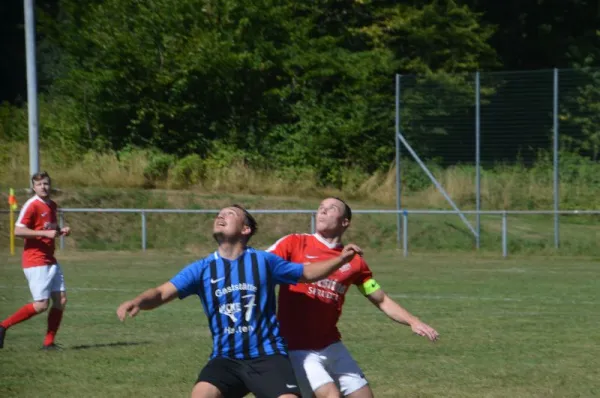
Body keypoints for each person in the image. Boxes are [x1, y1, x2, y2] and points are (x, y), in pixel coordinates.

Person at [116, 204, 363, 398]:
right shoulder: (202, 268)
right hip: (226, 358)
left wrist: (341, 260)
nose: (220, 216)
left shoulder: (264, 262)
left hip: (268, 357)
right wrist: (138, 301)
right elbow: (161, 292)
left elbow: (307, 273)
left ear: (246, 229)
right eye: (219, 214)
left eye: (230, 214)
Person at [267, 197, 439, 398]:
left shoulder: (355, 262)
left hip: (331, 344)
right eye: (321, 207)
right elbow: (256, 267)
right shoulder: (294, 243)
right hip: (297, 347)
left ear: (344, 222)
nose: (323, 210)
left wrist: (413, 321)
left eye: (331, 208)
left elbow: (380, 298)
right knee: (331, 395)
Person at [0, 171, 71, 350]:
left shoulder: (52, 205)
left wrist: (61, 230)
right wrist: (44, 233)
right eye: (39, 184)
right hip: (36, 260)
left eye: (46, 183)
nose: (43, 187)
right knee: (41, 305)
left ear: (50, 184)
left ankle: (49, 343)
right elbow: (18, 231)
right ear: (33, 187)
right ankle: (2, 326)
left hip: (50, 259)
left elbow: (49, 228)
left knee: (61, 300)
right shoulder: (32, 205)